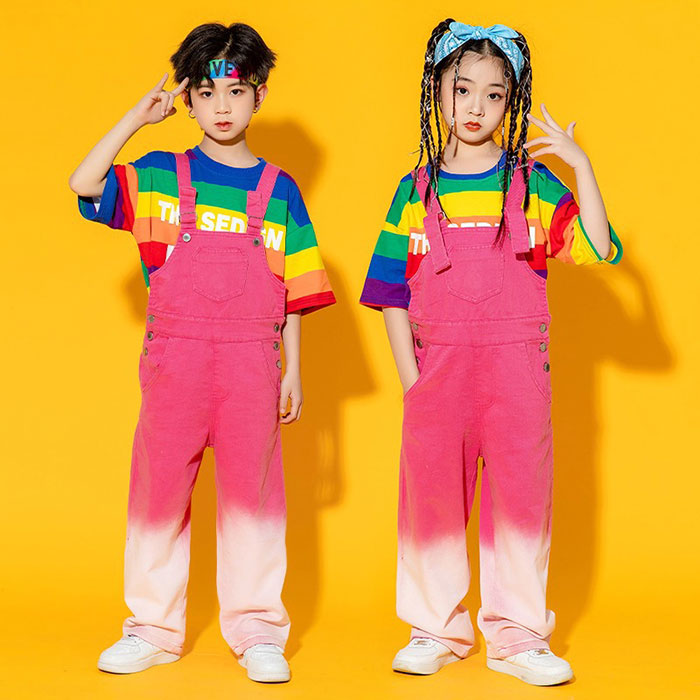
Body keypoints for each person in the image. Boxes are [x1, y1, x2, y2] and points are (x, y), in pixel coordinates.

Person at [69, 21, 335, 683]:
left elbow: (296, 289)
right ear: (187, 98)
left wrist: (294, 369)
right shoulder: (161, 176)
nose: (222, 106)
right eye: (208, 91)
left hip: (253, 366)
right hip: (176, 365)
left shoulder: (280, 190)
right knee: (158, 492)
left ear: (259, 96)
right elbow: (83, 183)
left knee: (254, 498)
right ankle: (152, 629)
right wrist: (137, 119)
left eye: (236, 91)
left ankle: (259, 632)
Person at [359, 20, 621, 686]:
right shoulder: (414, 190)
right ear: (437, 93)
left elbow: (598, 248)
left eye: (494, 94)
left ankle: (519, 637)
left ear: (512, 103)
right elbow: (389, 291)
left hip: (516, 376)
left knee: (522, 502)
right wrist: (412, 380)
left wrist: (581, 166)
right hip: (436, 376)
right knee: (431, 505)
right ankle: (433, 630)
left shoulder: (533, 183)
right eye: (462, 89)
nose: (476, 107)